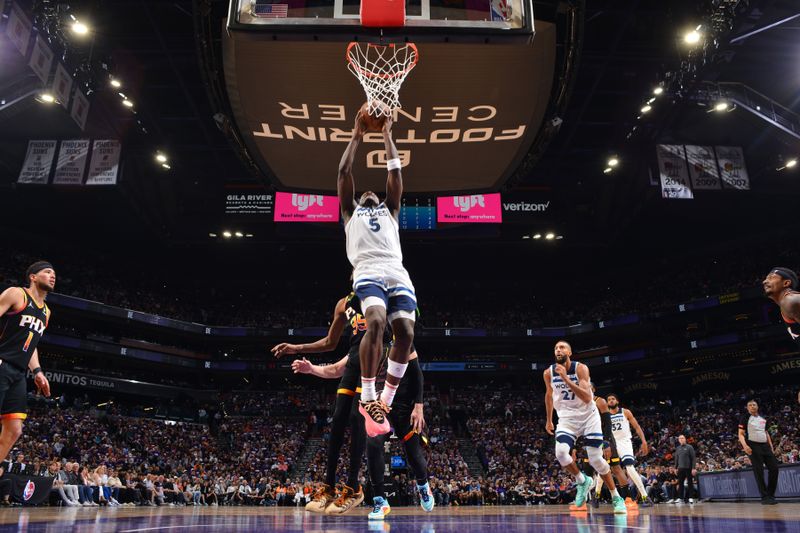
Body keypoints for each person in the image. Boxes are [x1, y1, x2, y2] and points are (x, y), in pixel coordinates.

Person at [338, 111, 416, 437]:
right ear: (357, 201)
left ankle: (385, 398)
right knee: (375, 322)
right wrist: (356, 135)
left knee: (406, 334)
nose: (370, 191)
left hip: (396, 271)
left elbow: (395, 172)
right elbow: (344, 171)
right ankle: (367, 395)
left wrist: (386, 133)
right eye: (364, 192)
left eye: (375, 192)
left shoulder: (391, 209)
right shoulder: (349, 212)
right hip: (367, 270)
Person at [272, 290, 380, 514]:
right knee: (338, 419)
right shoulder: (344, 304)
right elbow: (331, 343)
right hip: (354, 357)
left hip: (375, 358)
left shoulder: (381, 298)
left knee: (356, 418)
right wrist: (297, 348)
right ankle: (329, 487)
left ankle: (353, 487)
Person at [544, 340, 626, 514]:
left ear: (570, 352)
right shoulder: (548, 373)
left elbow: (587, 398)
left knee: (596, 460)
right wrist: (549, 419)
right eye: (556, 348)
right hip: (567, 418)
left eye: (562, 347)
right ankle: (582, 480)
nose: (558, 350)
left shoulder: (580, 368)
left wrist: (565, 378)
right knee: (560, 453)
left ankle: (616, 496)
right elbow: (549, 395)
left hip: (588, 417)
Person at [0, 261, 53, 467]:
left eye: (53, 273)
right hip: (2, 362)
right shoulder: (16, 294)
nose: (52, 275)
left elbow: (31, 343)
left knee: (14, 429)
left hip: (19, 373)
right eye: (47, 272)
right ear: (33, 276)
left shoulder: (46, 312)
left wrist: (38, 371)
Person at [607, 393, 652, 507]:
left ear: (617, 401)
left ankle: (644, 496)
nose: (611, 401)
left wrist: (644, 441)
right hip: (611, 443)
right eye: (609, 400)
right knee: (604, 470)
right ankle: (598, 496)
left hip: (624, 442)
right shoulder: (605, 414)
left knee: (630, 468)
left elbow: (636, 427)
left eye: (613, 399)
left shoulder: (625, 412)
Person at [738, 399, 780, 505]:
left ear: (757, 406)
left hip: (765, 445)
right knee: (759, 471)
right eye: (750, 405)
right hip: (753, 445)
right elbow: (741, 434)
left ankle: (771, 494)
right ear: (747, 408)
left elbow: (766, 432)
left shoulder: (763, 418)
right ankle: (764, 496)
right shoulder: (745, 418)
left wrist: (771, 446)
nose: (752, 406)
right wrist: (745, 445)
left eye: (754, 404)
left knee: (774, 468)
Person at [672, 435, 696, 504]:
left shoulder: (689, 447)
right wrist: (675, 468)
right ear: (679, 440)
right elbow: (676, 459)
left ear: (685, 439)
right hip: (680, 468)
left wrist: (693, 468)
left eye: (682, 438)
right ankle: (681, 498)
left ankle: (691, 498)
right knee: (680, 483)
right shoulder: (678, 448)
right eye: (680, 438)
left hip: (688, 468)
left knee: (690, 483)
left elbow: (693, 458)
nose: (681, 439)